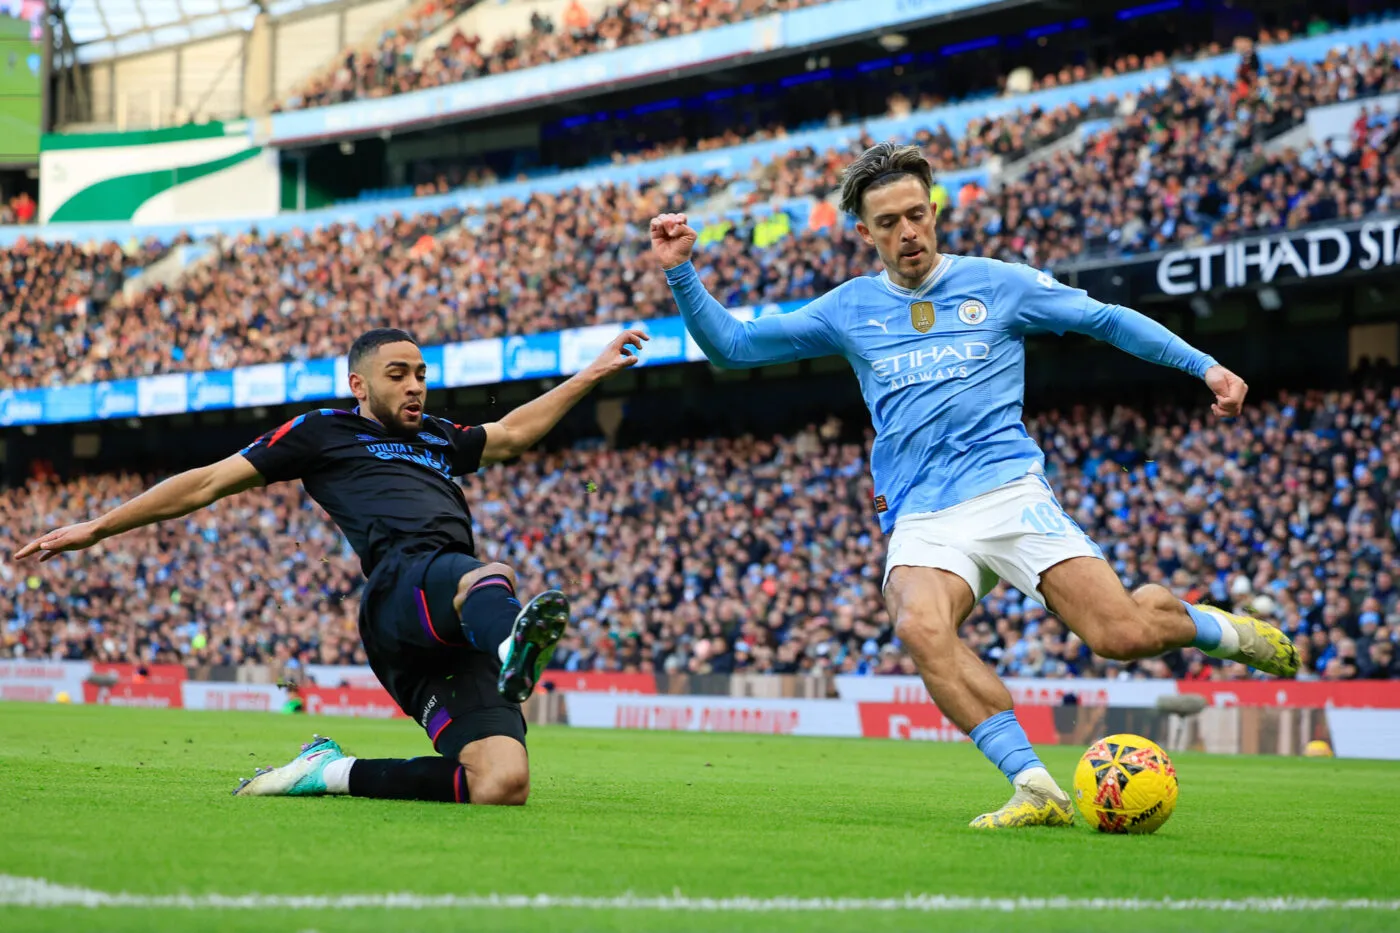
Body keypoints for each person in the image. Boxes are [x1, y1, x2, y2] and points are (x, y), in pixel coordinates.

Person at [650, 141, 1298, 829]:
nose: (908, 232)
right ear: (864, 233)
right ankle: (1035, 786)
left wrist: (1206, 367)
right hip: (922, 514)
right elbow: (735, 347)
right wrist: (682, 271)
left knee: (1121, 633)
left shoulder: (999, 284)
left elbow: (1104, 319)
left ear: (934, 212)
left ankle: (1217, 628)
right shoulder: (848, 308)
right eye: (889, 222)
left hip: (1007, 491)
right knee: (919, 624)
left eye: (916, 214)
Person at [14, 326, 649, 806]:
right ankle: (513, 640)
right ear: (359, 385)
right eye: (398, 374)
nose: (415, 385)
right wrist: (97, 527)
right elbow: (208, 481)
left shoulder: (438, 437)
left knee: (500, 784)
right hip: (404, 592)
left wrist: (593, 371)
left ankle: (329, 772)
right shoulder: (323, 431)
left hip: (447, 625)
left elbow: (510, 433)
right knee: (488, 575)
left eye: (421, 374)